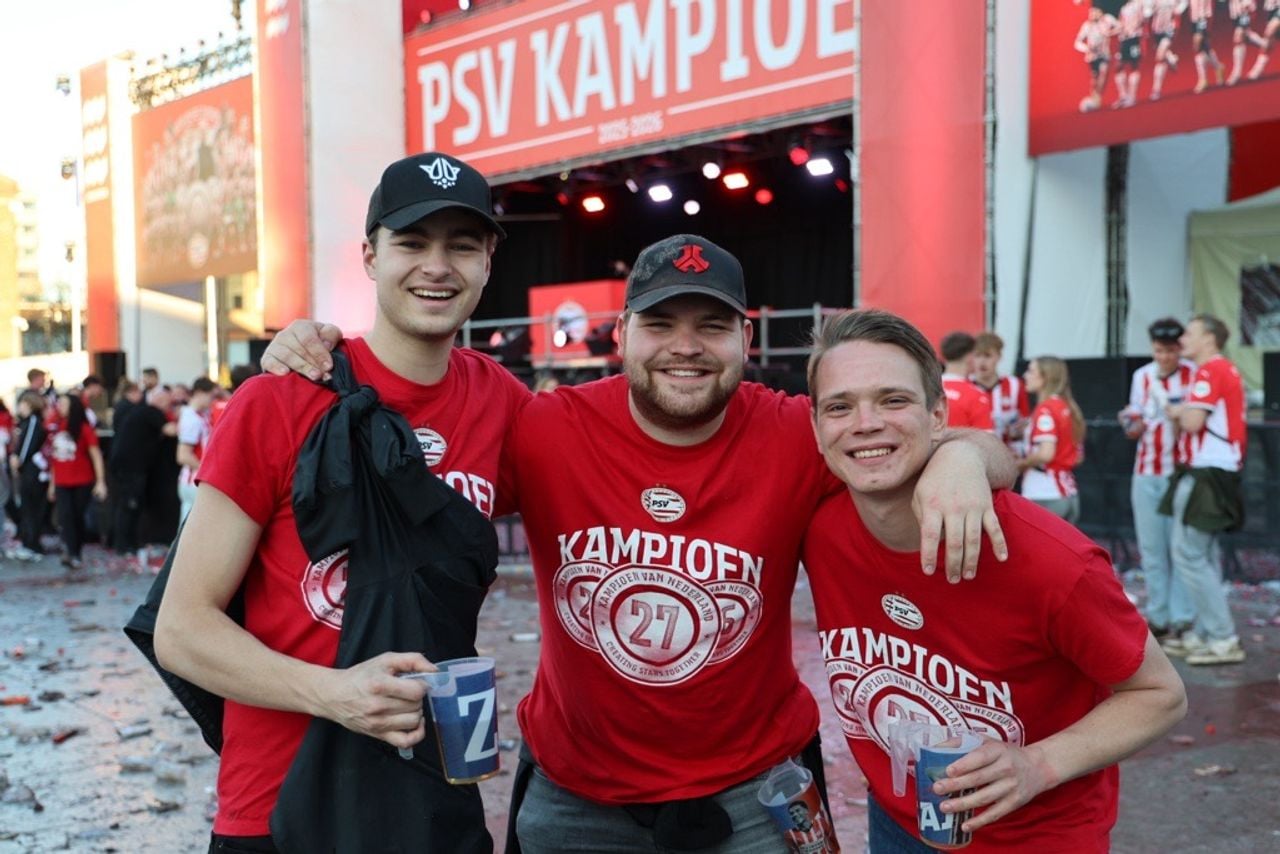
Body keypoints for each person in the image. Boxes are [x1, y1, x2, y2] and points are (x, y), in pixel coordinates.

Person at [262, 234, 1018, 853]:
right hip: (574, 800)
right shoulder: (546, 427)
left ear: (746, 338)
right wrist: (326, 351)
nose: (685, 348)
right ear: (621, 335)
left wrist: (961, 460)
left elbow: (956, 445)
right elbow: (424, 413)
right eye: (660, 324)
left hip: (759, 794)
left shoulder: (796, 430)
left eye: (711, 325)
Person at [154, 151, 528, 853]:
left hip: (433, 802)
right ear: (370, 256)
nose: (437, 266)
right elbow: (181, 629)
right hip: (281, 808)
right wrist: (335, 694)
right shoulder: (280, 399)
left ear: (488, 262)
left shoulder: (503, 403)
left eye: (462, 246)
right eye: (411, 243)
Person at [801, 308, 1187, 852]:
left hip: (1035, 838)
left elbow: (1160, 694)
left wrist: (1039, 763)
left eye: (893, 400)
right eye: (840, 406)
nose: (866, 423)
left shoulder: (1049, 559)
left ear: (939, 416)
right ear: (816, 428)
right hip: (896, 823)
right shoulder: (817, 528)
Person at [1160, 314, 1248, 665]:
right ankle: (1207, 632)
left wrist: (1177, 410)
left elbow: (1194, 421)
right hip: (1213, 470)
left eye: (1190, 333)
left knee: (1190, 554)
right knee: (1201, 554)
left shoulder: (1211, 371)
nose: (1182, 339)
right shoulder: (1219, 369)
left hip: (1208, 472)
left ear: (1209, 338)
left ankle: (1222, 637)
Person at [1120, 318, 1196, 640]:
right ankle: (1159, 616)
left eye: (1170, 351)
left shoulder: (1193, 375)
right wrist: (1129, 422)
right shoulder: (1142, 376)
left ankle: (1182, 617)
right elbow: (1134, 424)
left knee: (1180, 548)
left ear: (1180, 348)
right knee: (1152, 548)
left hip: (1180, 473)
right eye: (1158, 351)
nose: (1164, 357)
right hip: (1146, 471)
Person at [109, 386, 177, 558]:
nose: (170, 405)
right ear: (160, 400)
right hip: (131, 466)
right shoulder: (151, 412)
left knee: (129, 504)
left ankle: (127, 543)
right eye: (168, 401)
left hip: (128, 465)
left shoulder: (141, 411)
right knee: (129, 505)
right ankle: (124, 545)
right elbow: (170, 430)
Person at [1018, 357, 1084, 523]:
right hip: (1068, 491)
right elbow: (1079, 456)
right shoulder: (1068, 407)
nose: (1025, 375)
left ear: (1045, 377)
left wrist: (1019, 464)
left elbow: (1046, 453)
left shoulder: (1045, 409)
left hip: (1044, 492)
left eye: (1031, 371)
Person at [47, 392, 108, 570]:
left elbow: (96, 455)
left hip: (82, 480)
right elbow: (55, 459)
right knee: (65, 516)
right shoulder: (57, 428)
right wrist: (52, 484)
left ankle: (76, 551)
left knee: (77, 517)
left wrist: (100, 481)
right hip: (61, 480)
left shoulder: (84, 428)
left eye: (63, 404)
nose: (60, 407)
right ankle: (71, 551)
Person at [970, 332, 1029, 456]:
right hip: (974, 455)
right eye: (977, 355)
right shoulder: (965, 386)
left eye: (988, 356)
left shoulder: (1015, 385)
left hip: (1007, 455)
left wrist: (1017, 432)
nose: (982, 361)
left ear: (999, 357)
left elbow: (1025, 422)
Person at [8, 391, 50, 561]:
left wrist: (18, 458)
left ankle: (32, 545)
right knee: (28, 507)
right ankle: (28, 542)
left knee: (31, 508)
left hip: (33, 472)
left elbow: (26, 446)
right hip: (29, 471)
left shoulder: (33, 421)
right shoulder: (26, 422)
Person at [176, 377, 217, 524]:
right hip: (192, 481)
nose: (212, 400)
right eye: (211, 396)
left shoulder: (200, 414)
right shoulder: (191, 418)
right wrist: (207, 471)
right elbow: (182, 455)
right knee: (190, 527)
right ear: (199, 393)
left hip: (195, 480)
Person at [938, 332, 994, 431]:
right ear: (969, 357)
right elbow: (986, 437)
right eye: (976, 355)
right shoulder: (976, 396)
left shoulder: (928, 387)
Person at [1074, 5, 1118, 111]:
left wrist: (1110, 33)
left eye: (1095, 12)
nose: (1092, 14)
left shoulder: (1107, 20)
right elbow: (1077, 42)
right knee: (1095, 77)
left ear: (1100, 12)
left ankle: (1097, 97)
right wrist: (1087, 48)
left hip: (1104, 54)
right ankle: (1093, 97)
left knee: (1103, 72)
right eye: (1091, 12)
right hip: (1092, 56)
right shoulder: (1087, 26)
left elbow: (1120, 26)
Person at [1147, 0, 1184, 100]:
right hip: (1157, 29)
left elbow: (1183, 4)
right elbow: (1148, 12)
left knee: (1159, 57)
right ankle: (1170, 59)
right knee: (1161, 59)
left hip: (1170, 28)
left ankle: (1156, 89)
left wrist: (1178, 11)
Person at [1225, 0, 1268, 84]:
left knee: (1239, 36)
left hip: (1246, 4)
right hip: (1235, 8)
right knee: (1245, 35)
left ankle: (1237, 72)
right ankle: (1265, 44)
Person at [1189, 0, 1225, 92]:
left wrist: (1208, 19)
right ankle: (1218, 66)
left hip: (1204, 15)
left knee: (1197, 45)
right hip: (1194, 16)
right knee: (1204, 47)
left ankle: (1203, 79)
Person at [1248, 0, 1279, 79]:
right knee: (1270, 39)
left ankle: (1259, 67)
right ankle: (1259, 67)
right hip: (1271, 7)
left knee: (1270, 31)